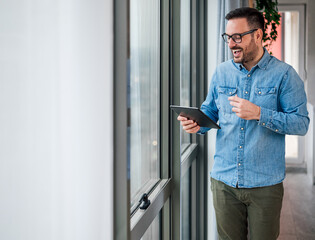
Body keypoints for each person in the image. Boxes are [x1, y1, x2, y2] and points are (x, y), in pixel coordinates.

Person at [177, 7, 309, 240]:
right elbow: (211, 111)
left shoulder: (285, 75)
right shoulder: (221, 72)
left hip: (265, 185)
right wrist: (198, 124)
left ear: (258, 35)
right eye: (228, 37)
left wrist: (260, 113)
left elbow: (301, 123)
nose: (231, 44)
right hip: (224, 182)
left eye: (238, 37)